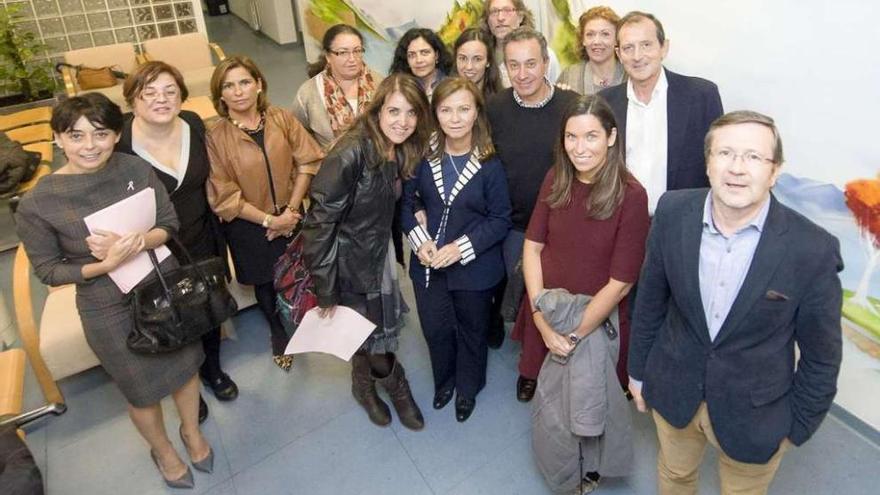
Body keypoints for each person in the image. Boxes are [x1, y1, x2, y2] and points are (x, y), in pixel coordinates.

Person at [628, 111, 843, 495]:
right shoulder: (672, 213)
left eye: (754, 157)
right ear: (708, 163)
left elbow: (822, 355)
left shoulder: (812, 249)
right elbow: (650, 301)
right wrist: (639, 373)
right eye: (725, 153)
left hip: (757, 414)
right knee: (675, 476)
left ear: (774, 171)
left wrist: (799, 424)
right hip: (674, 390)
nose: (737, 168)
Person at [16, 93, 213, 489]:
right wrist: (103, 266)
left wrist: (141, 241)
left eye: (100, 134)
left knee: (186, 368)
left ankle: (191, 432)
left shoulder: (135, 168)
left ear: (116, 134)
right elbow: (50, 271)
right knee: (142, 391)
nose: (90, 146)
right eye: (76, 136)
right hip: (106, 305)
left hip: (162, 283)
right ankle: (163, 450)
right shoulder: (38, 204)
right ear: (58, 139)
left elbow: (169, 223)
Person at [521, 94, 648, 492]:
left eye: (591, 136)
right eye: (571, 137)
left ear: (611, 137)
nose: (580, 148)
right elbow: (532, 247)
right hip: (549, 310)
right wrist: (541, 319)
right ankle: (562, 470)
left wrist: (575, 334)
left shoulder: (631, 195)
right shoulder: (555, 178)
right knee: (554, 402)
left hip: (596, 320)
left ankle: (588, 469)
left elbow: (621, 282)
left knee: (590, 402)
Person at [302, 73, 431, 430]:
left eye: (411, 114)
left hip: (379, 253)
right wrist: (326, 288)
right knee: (373, 338)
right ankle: (395, 386)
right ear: (377, 110)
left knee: (368, 332)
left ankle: (362, 385)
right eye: (394, 111)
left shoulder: (399, 147)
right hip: (349, 262)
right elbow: (319, 223)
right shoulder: (351, 152)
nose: (402, 122)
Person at [116, 62, 239, 417]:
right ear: (132, 100)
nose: (162, 99)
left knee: (208, 306)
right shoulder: (122, 143)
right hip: (152, 249)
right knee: (170, 317)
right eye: (149, 93)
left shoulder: (194, 125)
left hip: (201, 234)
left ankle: (212, 370)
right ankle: (187, 388)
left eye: (170, 91)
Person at [400, 77, 512, 422]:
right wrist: (420, 242)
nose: (455, 118)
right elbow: (405, 204)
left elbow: (500, 218)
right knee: (435, 330)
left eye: (464, 109)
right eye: (446, 110)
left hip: (473, 268)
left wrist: (460, 248)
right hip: (428, 264)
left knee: (472, 331)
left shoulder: (490, 162)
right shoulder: (423, 154)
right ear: (435, 113)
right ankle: (445, 382)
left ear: (477, 112)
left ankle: (467, 388)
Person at [206, 56, 324, 372]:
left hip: (291, 213)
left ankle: (306, 321)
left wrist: (290, 211)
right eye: (229, 86)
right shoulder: (215, 136)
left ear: (259, 84)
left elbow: (309, 161)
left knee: (299, 272)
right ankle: (279, 335)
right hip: (248, 223)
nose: (239, 91)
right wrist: (270, 221)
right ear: (220, 96)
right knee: (265, 283)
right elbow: (224, 194)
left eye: (245, 82)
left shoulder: (281, 118)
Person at [486, 27, 578, 401]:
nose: (522, 74)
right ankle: (530, 359)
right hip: (514, 224)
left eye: (530, 64)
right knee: (524, 291)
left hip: (562, 221)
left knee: (556, 295)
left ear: (545, 63)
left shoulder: (570, 107)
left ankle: (544, 361)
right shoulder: (494, 108)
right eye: (513, 65)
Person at [599, 11, 723, 215]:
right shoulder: (604, 103)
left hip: (685, 220)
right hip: (622, 222)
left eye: (646, 45)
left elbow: (718, 160)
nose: (637, 56)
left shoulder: (701, 96)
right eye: (628, 48)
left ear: (663, 48)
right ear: (619, 55)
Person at [292, 24, 382, 149]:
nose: (352, 59)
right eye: (343, 52)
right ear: (328, 56)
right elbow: (297, 133)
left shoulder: (380, 84)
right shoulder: (308, 93)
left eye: (357, 51)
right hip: (330, 164)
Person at [480, 0, 561, 88]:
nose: (500, 18)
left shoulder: (543, 54)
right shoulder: (481, 55)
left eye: (507, 10)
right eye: (494, 11)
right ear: (487, 20)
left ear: (520, 17)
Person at [557, 6, 626, 95]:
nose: (596, 41)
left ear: (617, 39)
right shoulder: (569, 76)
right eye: (590, 34)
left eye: (605, 34)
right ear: (583, 40)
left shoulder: (629, 75)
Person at [389, 28, 453, 101]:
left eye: (425, 53)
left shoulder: (452, 86)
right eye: (412, 55)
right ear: (406, 60)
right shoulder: (399, 89)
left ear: (436, 55)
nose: (419, 60)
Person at [452, 28, 502, 100]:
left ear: (488, 61)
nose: (469, 67)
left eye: (477, 59)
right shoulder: (444, 99)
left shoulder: (502, 102)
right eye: (463, 58)